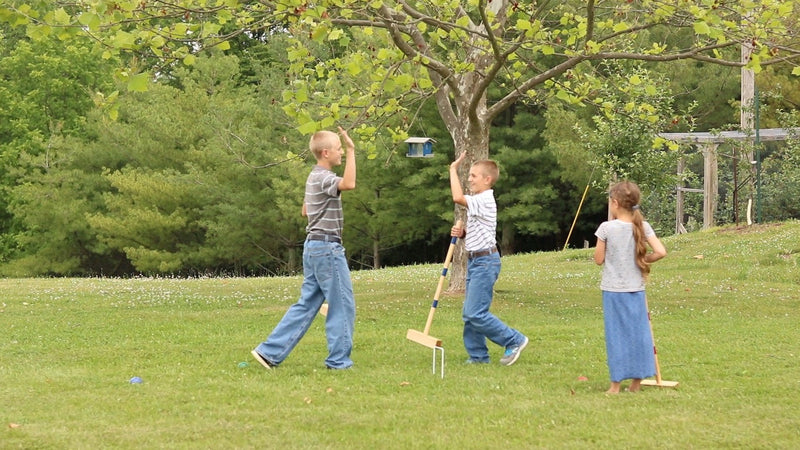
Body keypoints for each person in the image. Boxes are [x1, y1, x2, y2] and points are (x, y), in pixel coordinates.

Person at [252, 126, 357, 370]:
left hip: (314, 248)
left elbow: (305, 210)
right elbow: (349, 183)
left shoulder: (314, 177)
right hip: (327, 248)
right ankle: (339, 361)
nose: (341, 153)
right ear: (325, 153)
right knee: (342, 303)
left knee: (307, 303)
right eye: (339, 150)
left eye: (344, 150)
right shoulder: (324, 177)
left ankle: (269, 352)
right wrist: (352, 151)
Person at [449, 152, 528, 366]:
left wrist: (452, 170)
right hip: (475, 260)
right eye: (469, 175)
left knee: (476, 312)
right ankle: (478, 357)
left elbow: (457, 198)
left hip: (486, 262)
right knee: (469, 313)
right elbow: (479, 230)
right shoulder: (478, 201)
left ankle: (514, 339)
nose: (469, 179)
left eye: (474, 175)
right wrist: (462, 234)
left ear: (488, 179)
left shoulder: (485, 198)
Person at [593, 181, 667, 394]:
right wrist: (642, 259)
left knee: (617, 336)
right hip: (636, 289)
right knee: (639, 334)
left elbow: (599, 260)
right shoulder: (643, 226)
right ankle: (636, 382)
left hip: (613, 291)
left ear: (615, 203)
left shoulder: (606, 228)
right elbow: (661, 252)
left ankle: (615, 385)